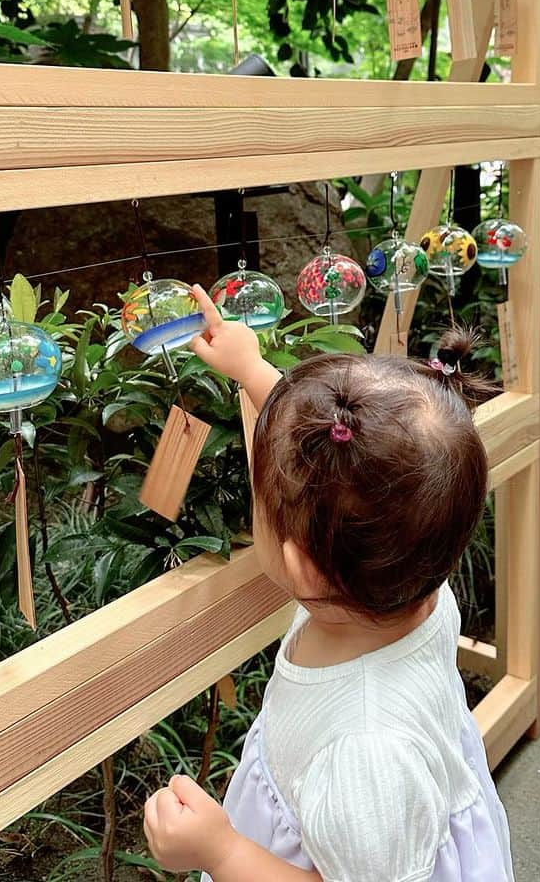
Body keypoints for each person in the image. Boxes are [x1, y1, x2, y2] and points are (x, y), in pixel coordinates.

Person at [143, 285, 514, 882]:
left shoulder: (368, 750)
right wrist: (251, 368)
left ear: (303, 567)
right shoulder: (406, 584)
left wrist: (223, 852)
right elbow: (336, 475)